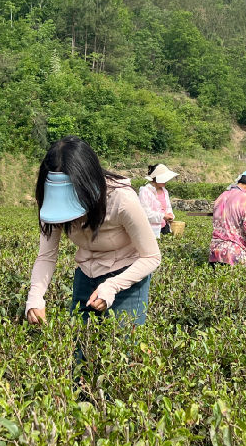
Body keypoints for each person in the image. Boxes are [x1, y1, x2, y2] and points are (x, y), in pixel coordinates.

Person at [25, 136, 161, 326]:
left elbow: (151, 257)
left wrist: (112, 286)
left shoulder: (121, 199)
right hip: (86, 275)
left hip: (127, 276)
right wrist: (35, 297)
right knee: (80, 348)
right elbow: (46, 256)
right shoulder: (51, 203)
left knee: (120, 347)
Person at [138, 163, 177, 238]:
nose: (165, 180)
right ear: (155, 178)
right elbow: (145, 214)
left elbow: (168, 207)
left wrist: (170, 215)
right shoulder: (145, 191)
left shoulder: (165, 191)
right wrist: (162, 216)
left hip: (165, 228)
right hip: (152, 230)